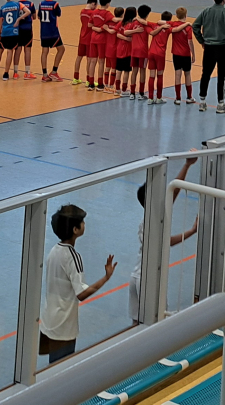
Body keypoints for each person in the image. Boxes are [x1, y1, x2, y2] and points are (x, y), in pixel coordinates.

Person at [39, 205, 116, 365]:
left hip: (49, 320)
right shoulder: (73, 257)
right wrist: (106, 278)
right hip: (64, 326)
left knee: (53, 366)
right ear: (75, 230)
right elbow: (81, 293)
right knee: (62, 368)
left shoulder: (53, 251)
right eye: (82, 222)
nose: (84, 224)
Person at [130, 156, 200, 322]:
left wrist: (191, 231)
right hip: (149, 281)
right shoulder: (156, 217)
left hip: (135, 277)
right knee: (158, 324)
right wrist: (187, 165)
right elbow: (175, 190)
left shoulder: (144, 221)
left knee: (136, 324)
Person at [37, 0, 65, 81]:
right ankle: (54, 72)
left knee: (44, 52)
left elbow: (39, 16)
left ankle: (44, 74)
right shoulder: (55, 4)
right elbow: (59, 14)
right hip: (53, 32)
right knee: (61, 49)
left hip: (44, 32)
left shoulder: (41, 4)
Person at [169, 7, 194, 103]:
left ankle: (178, 98)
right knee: (187, 74)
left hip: (176, 53)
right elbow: (190, 41)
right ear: (186, 15)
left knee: (177, 74)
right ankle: (189, 97)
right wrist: (193, 54)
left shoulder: (173, 24)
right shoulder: (188, 28)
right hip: (186, 54)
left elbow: (162, 22)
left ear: (176, 15)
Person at [0, 0, 25, 79]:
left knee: (0, 50)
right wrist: (19, 19)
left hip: (4, 32)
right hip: (13, 31)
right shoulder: (17, 5)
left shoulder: (2, 7)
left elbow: (0, 23)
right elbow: (28, 11)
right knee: (10, 51)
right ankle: (6, 73)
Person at [73, 0, 99, 86]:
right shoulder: (92, 13)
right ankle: (88, 80)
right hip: (89, 38)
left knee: (79, 57)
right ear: (93, 4)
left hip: (82, 36)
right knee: (89, 59)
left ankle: (75, 78)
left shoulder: (82, 11)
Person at [146, 11, 172, 103]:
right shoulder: (168, 28)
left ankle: (150, 98)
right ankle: (159, 98)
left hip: (151, 52)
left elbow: (145, 22)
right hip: (160, 54)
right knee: (160, 75)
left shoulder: (154, 25)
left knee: (151, 76)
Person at [126, 6, 151, 99]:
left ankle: (132, 93)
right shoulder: (145, 25)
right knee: (142, 71)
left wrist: (134, 30)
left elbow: (126, 32)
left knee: (134, 71)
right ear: (147, 14)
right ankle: (141, 93)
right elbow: (152, 32)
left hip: (134, 50)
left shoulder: (134, 23)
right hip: (143, 51)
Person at [15, 0, 37, 80]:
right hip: (27, 29)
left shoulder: (16, 5)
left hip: (18, 30)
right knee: (27, 50)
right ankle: (27, 73)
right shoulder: (31, 4)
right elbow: (34, 17)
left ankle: (15, 72)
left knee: (17, 50)